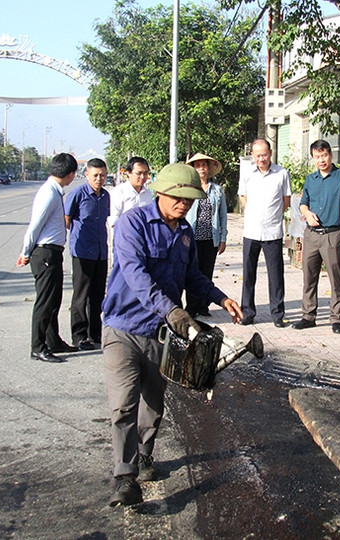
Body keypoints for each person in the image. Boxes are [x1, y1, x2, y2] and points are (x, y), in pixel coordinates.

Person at [101, 162, 243, 507]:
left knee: (153, 401)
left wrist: (220, 297)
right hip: (122, 327)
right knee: (123, 405)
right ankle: (124, 476)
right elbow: (136, 275)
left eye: (191, 199)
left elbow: (192, 276)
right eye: (179, 197)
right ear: (160, 193)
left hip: (160, 334)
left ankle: (145, 455)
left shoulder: (185, 233)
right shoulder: (131, 224)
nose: (185, 204)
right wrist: (173, 311)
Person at [16, 153, 79, 363]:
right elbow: (35, 226)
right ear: (70, 174)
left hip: (52, 253)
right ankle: (38, 347)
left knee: (54, 299)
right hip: (45, 253)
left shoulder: (54, 191)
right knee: (45, 302)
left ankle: (53, 341)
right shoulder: (49, 194)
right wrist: (25, 252)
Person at [293, 140, 340, 334]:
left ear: (331, 155)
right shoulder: (310, 179)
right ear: (313, 158)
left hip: (333, 234)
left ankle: (337, 318)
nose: (321, 160)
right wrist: (307, 214)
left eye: (324, 155)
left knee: (336, 277)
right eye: (317, 156)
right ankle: (308, 316)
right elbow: (303, 203)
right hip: (311, 235)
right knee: (309, 277)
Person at [238, 139, 291, 327]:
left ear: (271, 153)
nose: (261, 158)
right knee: (248, 274)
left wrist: (272, 215)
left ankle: (277, 314)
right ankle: (247, 312)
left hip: (273, 231)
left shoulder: (282, 173)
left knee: (276, 275)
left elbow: (286, 200)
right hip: (251, 231)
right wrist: (255, 213)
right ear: (252, 155)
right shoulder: (247, 174)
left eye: (264, 154)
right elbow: (243, 197)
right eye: (258, 155)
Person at [64, 158, 111, 350]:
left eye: (102, 175)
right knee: (81, 296)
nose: (99, 179)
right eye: (95, 175)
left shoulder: (106, 196)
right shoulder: (78, 194)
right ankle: (79, 336)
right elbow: (66, 219)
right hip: (83, 252)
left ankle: (95, 333)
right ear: (87, 175)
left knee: (98, 295)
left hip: (101, 252)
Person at [184, 152, 228, 318]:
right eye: (198, 165)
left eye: (204, 165)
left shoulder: (217, 190)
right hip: (192, 238)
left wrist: (223, 238)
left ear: (209, 168)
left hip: (211, 238)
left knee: (206, 272)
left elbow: (223, 215)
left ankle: (204, 306)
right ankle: (191, 307)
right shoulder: (189, 189)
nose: (201, 168)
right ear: (194, 169)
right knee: (192, 272)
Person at [108, 156, 153, 227]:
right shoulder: (118, 192)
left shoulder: (148, 193)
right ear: (128, 173)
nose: (142, 177)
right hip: (125, 234)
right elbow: (114, 219)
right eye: (139, 173)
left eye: (145, 173)